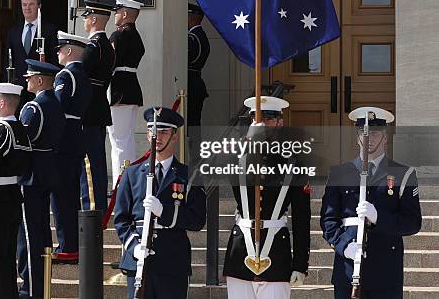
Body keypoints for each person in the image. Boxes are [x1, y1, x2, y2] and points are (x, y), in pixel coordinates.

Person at [320, 107, 422, 299]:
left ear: (385, 137)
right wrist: (343, 246)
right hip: (347, 270)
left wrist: (379, 217)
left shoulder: (403, 174)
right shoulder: (340, 173)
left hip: (385, 274)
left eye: (375, 133)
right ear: (357, 136)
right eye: (363, 133)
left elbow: (413, 223)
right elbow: (328, 220)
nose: (369, 138)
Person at [223, 96, 310, 299]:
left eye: (268, 119)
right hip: (241, 251)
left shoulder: (293, 162)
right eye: (256, 119)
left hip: (276, 253)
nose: (262, 123)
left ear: (280, 122)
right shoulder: (238, 155)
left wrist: (300, 264)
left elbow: (301, 218)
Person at [114, 107, 206, 299]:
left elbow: (197, 220)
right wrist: (134, 247)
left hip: (172, 261)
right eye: (153, 132)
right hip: (139, 260)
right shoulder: (132, 174)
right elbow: (121, 220)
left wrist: (164, 212)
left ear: (175, 136)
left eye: (164, 132)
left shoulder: (189, 176)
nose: (158, 138)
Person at [17, 59, 67, 299]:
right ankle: (42, 284)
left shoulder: (33, 108)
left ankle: (31, 288)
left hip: (32, 173)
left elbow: (24, 141)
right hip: (48, 169)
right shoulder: (55, 104)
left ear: (39, 80)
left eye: (29, 77)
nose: (26, 80)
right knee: (42, 231)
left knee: (29, 235)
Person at [0, 82, 32, 299]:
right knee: (5, 259)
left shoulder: (1, 130)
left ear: (3, 102)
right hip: (12, 196)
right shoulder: (20, 129)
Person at [51, 31, 92, 263]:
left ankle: (67, 246)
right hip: (76, 137)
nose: (57, 52)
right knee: (70, 195)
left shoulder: (66, 76)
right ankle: (71, 244)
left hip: (63, 141)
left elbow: (58, 109)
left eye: (60, 49)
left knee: (61, 197)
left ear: (68, 51)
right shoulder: (82, 75)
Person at [80, 0, 116, 212]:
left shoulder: (94, 47)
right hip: (99, 108)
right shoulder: (107, 46)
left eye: (87, 16)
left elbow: (81, 75)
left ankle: (91, 205)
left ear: (93, 19)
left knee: (89, 164)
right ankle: (97, 203)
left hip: (89, 111)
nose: (84, 20)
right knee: (97, 161)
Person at [108, 0, 145, 187]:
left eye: (117, 11)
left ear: (124, 14)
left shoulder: (119, 35)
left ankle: (120, 185)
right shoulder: (135, 35)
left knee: (119, 142)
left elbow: (109, 63)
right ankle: (127, 182)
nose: (115, 15)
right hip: (131, 88)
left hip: (119, 90)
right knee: (127, 140)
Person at [5, 0, 58, 112]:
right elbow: (8, 60)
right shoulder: (13, 32)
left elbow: (54, 59)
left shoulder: (49, 30)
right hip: (18, 86)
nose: (27, 8)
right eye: (24, 4)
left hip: (40, 86)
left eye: (31, 4)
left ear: (39, 6)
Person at [187, 3, 210, 127]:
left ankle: (193, 147)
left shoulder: (192, 37)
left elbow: (188, 60)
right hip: (196, 84)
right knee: (194, 123)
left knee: (191, 124)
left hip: (191, 84)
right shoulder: (200, 35)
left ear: (191, 18)